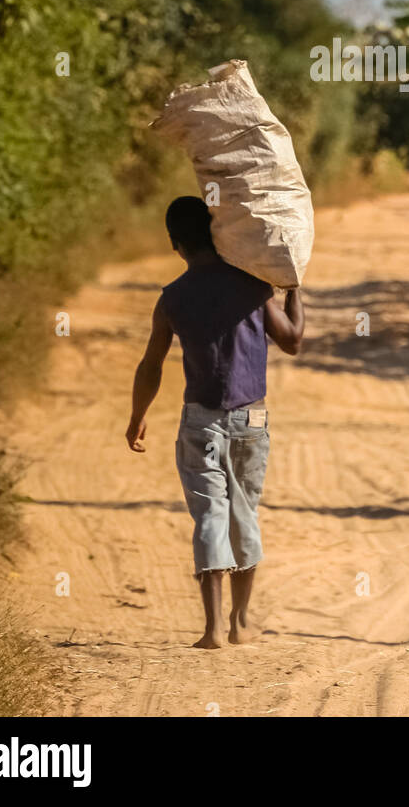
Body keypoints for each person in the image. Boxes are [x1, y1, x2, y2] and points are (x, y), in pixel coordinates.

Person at [125, 195, 305, 648]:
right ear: (215, 233)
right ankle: (240, 622)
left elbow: (151, 366)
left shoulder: (172, 300)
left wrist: (138, 416)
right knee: (244, 514)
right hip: (252, 418)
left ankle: (210, 630)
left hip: (199, 421)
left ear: (175, 244)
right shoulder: (251, 285)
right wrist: (293, 287)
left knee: (209, 515)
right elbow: (293, 341)